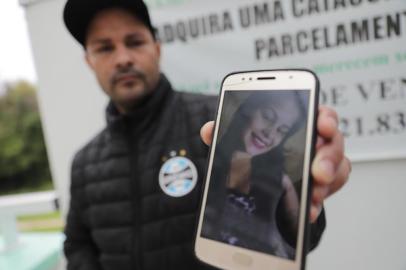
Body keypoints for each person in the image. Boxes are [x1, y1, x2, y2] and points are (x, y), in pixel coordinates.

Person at [62, 0, 351, 269]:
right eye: (104, 48)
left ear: (157, 48)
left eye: (134, 42)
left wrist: (305, 205)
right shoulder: (84, 163)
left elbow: (297, 239)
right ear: (89, 60)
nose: (123, 58)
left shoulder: (216, 124)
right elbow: (77, 245)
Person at [202, 91, 310, 259]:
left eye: (282, 130)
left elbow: (300, 240)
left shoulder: (280, 180)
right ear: (248, 110)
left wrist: (290, 191)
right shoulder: (208, 158)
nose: (270, 133)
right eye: (267, 116)